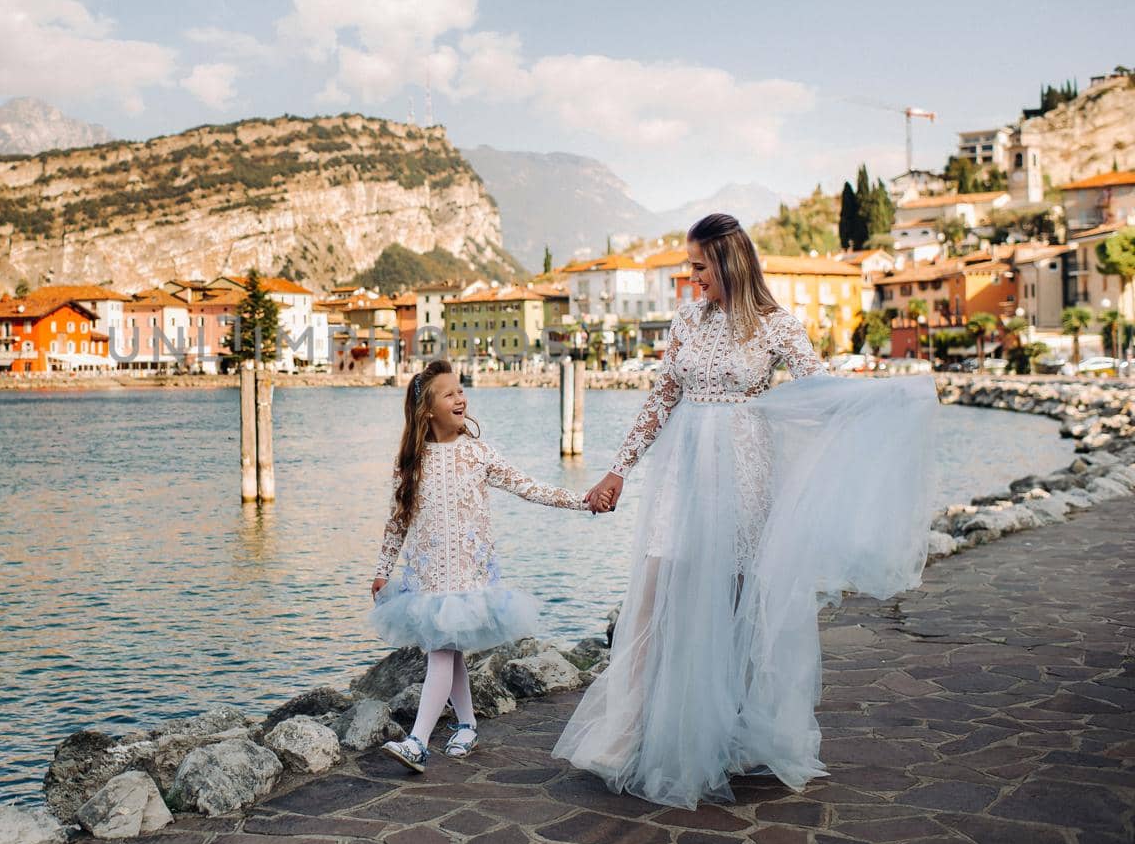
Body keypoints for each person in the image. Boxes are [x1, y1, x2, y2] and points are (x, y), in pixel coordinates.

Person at [555, 213, 936, 808]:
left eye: (700, 266)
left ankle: (733, 730)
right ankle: (625, 733)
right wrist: (617, 470)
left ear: (729, 263)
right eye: (690, 266)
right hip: (682, 472)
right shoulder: (685, 319)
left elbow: (820, 391)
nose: (692, 277)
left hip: (745, 470)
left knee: (739, 601)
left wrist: (886, 398)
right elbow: (662, 397)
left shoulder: (776, 326)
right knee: (654, 591)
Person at [370, 358, 595, 772]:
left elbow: (531, 488)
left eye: (461, 390)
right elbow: (396, 521)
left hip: (467, 576)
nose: (460, 398)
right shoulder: (410, 463)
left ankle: (418, 741)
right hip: (428, 577)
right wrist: (383, 568)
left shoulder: (477, 454)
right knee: (447, 651)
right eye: (449, 393)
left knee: (442, 650)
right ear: (427, 410)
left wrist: (583, 501)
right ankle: (468, 724)